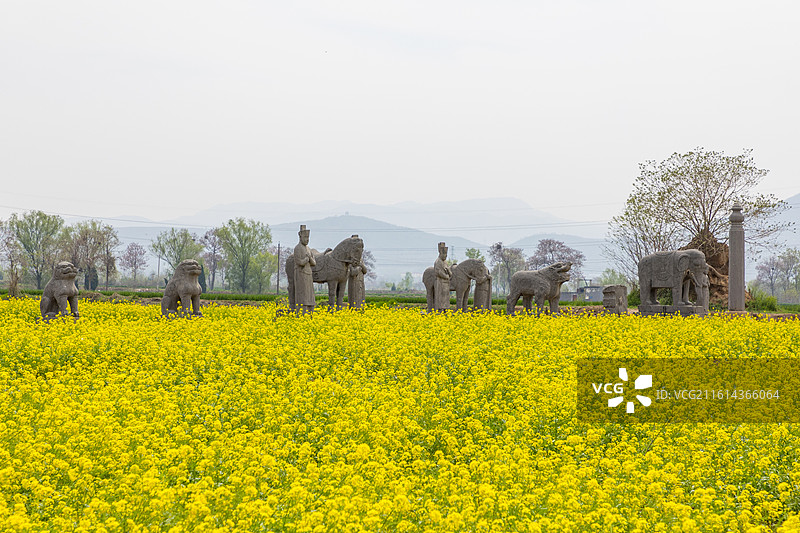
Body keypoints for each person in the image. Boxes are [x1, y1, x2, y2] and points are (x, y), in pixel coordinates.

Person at [293, 225, 316, 314]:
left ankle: (310, 313)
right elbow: (299, 262)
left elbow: (314, 263)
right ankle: (301, 312)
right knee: (303, 295)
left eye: (308, 238)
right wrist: (306, 259)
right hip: (301, 274)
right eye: (305, 237)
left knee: (310, 295)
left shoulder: (309, 249)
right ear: (300, 237)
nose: (307, 239)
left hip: (309, 274)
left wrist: (309, 258)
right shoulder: (297, 248)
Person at [433, 242, 452, 312]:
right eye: (444, 255)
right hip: (440, 282)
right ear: (440, 254)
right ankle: (440, 309)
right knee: (440, 296)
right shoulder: (438, 262)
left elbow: (450, 273)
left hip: (446, 283)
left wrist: (449, 271)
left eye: (446, 255)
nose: (445, 256)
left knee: (446, 297)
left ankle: (445, 308)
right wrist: (445, 276)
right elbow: (438, 272)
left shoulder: (445, 262)